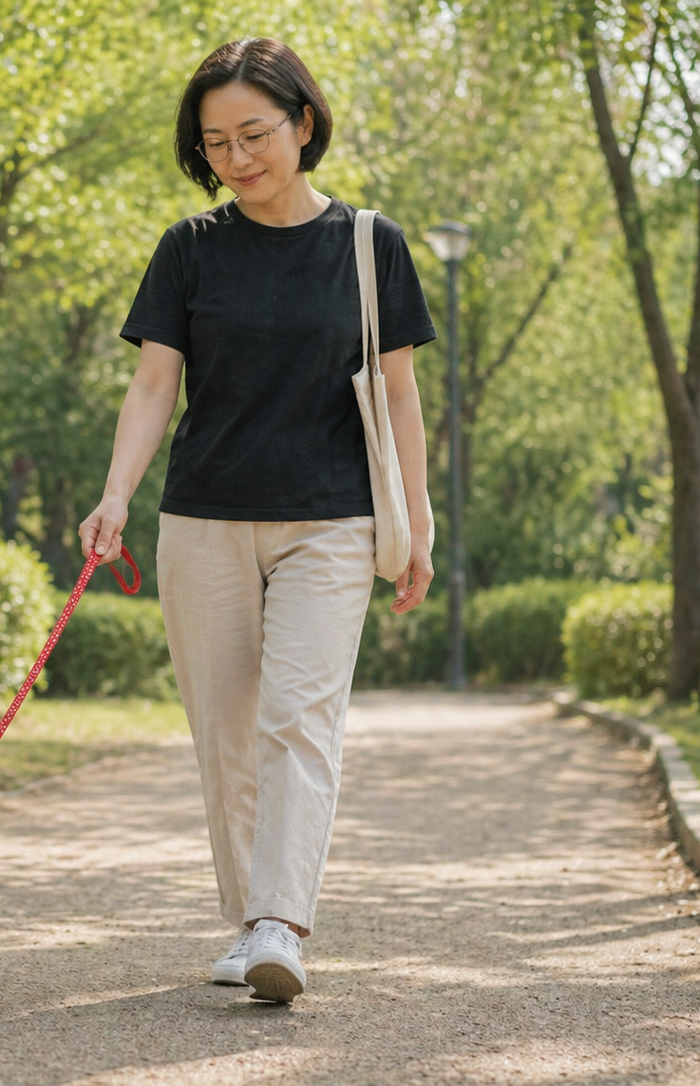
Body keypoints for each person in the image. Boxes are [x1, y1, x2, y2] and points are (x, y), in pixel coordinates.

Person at [78, 37, 437, 1004]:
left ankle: (282, 921)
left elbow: (400, 395)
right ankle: (250, 919)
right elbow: (155, 382)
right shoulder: (189, 249)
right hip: (204, 517)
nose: (238, 157)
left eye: (256, 133)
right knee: (226, 732)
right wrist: (116, 494)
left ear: (303, 124)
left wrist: (422, 517)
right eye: (217, 142)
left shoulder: (371, 245)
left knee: (298, 720)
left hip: (332, 520)